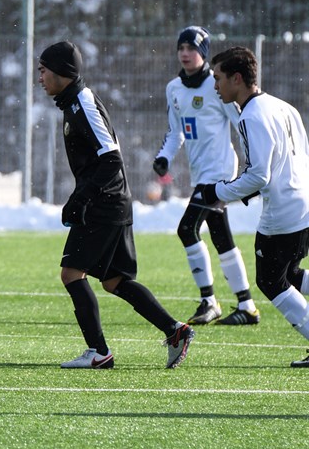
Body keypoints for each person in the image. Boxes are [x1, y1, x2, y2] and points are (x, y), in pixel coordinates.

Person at [38, 41, 195, 369]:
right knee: (114, 281)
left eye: (43, 70)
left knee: (71, 274)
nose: (40, 77)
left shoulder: (82, 102)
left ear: (62, 72)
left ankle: (98, 352)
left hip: (104, 204)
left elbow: (111, 158)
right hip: (112, 201)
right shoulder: (73, 102)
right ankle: (174, 330)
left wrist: (82, 198)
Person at [199, 46, 309, 368]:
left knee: (270, 280)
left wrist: (218, 191)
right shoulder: (283, 106)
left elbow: (260, 174)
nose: (215, 86)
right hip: (303, 202)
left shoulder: (250, 115)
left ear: (237, 78)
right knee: (289, 273)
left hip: (284, 212)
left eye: (218, 78)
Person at [153, 26, 259, 325]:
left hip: (220, 173)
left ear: (203, 52)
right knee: (221, 236)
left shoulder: (218, 86)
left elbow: (242, 124)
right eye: (181, 48)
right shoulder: (174, 88)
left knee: (187, 229)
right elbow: (176, 131)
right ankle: (247, 305)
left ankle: (209, 301)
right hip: (201, 174)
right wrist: (164, 157)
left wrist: (254, 163)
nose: (185, 53)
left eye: (192, 48)